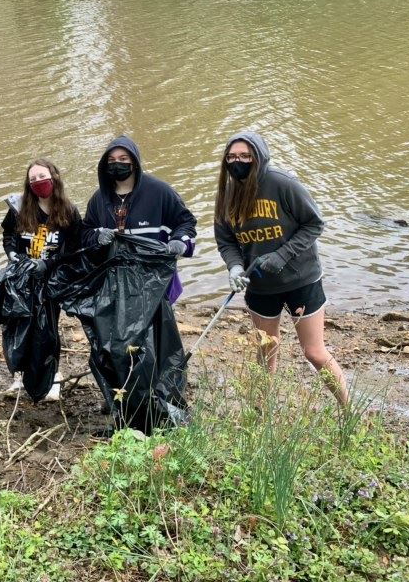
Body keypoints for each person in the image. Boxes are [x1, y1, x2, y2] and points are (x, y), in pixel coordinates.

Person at [213, 130, 348, 406]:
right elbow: (226, 240)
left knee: (314, 352)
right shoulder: (227, 195)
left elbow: (314, 224)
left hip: (302, 280)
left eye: (245, 156)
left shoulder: (283, 184)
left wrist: (282, 255)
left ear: (259, 157)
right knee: (266, 349)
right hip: (259, 285)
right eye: (232, 157)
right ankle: (261, 415)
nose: (238, 161)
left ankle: (349, 409)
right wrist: (235, 268)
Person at [1, 159, 82, 402]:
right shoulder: (19, 207)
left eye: (42, 176)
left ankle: (52, 375)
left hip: (51, 281)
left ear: (54, 177)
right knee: (19, 326)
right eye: (32, 178)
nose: (38, 182)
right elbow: (8, 235)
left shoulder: (68, 211)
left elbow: (75, 249)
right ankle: (19, 375)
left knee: (48, 330)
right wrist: (13, 254)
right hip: (23, 279)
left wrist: (48, 264)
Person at [84, 136, 198, 302]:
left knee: (160, 327)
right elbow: (85, 231)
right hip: (115, 286)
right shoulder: (98, 199)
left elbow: (186, 223)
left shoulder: (160, 192)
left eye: (123, 159)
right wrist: (98, 236)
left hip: (158, 283)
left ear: (134, 162)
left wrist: (179, 241)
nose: (117, 163)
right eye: (112, 160)